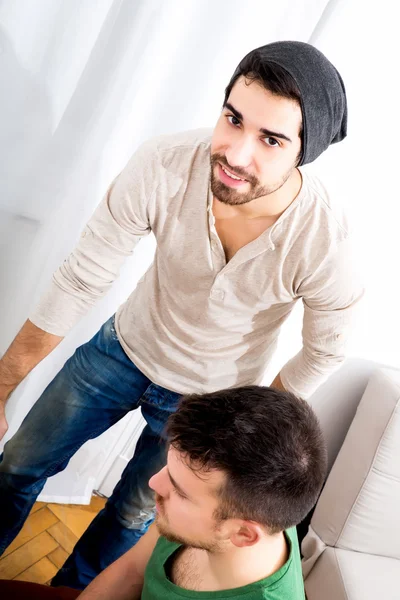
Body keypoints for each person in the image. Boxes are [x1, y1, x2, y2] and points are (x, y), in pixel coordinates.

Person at [0, 40, 362, 589]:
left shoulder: (323, 240)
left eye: (270, 139)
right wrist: (3, 386)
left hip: (210, 400)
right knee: (17, 464)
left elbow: (327, 347)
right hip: (122, 348)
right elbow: (83, 276)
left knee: (130, 516)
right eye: (233, 119)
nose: (237, 154)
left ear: (302, 153)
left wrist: (250, 422)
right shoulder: (164, 163)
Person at [0, 385, 328, 599]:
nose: (155, 484)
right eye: (169, 470)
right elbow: (130, 571)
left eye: (181, 491)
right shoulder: (236, 505)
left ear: (243, 534)